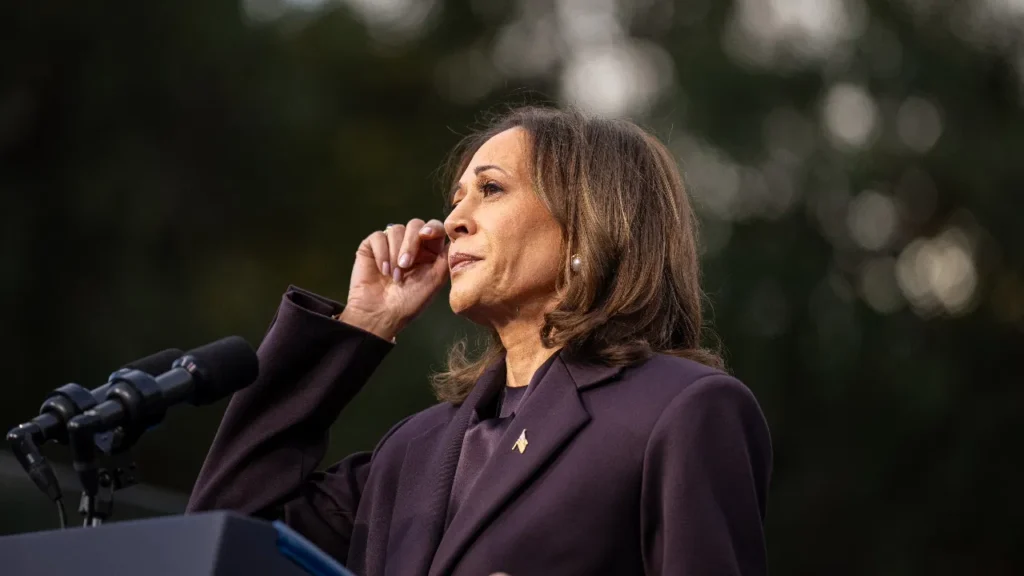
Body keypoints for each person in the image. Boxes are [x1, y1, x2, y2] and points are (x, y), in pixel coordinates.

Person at [187, 106, 773, 576]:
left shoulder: (680, 410)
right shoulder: (411, 451)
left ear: (588, 224)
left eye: (490, 189)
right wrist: (363, 323)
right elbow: (226, 534)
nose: (452, 222)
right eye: (456, 199)